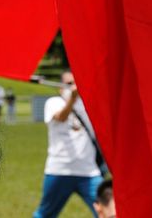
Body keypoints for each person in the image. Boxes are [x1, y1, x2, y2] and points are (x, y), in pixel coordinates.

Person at [33, 71, 103, 218]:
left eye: (76, 83)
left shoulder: (88, 104)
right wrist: (72, 98)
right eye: (69, 83)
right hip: (60, 170)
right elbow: (61, 117)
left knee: (108, 210)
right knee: (45, 214)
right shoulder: (53, 102)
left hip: (88, 171)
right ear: (60, 87)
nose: (74, 87)